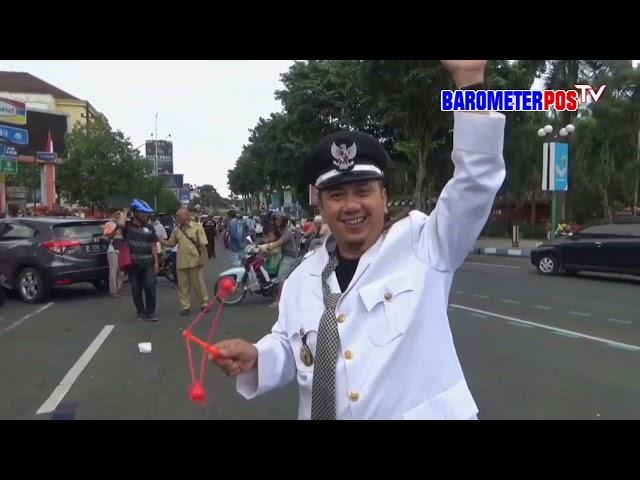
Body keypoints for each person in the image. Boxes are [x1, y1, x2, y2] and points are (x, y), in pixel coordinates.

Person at [210, 61, 506, 420]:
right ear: (320, 205)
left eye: (363, 190)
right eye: (336, 195)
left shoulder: (426, 244)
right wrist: (258, 356)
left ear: (384, 197)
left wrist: (470, 80)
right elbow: (295, 348)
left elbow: (476, 179)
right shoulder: (303, 278)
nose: (351, 205)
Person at [160, 208, 209, 316]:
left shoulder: (197, 227)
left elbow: (203, 245)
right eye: (176, 216)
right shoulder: (176, 229)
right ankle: (185, 306)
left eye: (179, 216)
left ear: (187, 215)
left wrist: (203, 258)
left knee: (199, 284)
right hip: (181, 260)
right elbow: (172, 243)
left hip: (194, 260)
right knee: (183, 286)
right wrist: (161, 240)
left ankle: (204, 303)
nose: (177, 218)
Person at [118, 199, 159, 322]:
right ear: (135, 213)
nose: (145, 215)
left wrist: (156, 262)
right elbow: (120, 224)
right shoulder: (128, 226)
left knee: (150, 286)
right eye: (142, 213)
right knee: (136, 289)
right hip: (133, 264)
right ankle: (140, 312)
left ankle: (150, 312)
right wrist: (125, 212)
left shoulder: (150, 227)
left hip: (148, 263)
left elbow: (153, 245)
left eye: (146, 213)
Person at [259, 211, 299, 309]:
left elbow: (278, 242)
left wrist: (266, 247)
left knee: (281, 276)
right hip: (282, 255)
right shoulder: (279, 230)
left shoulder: (287, 232)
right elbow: (272, 238)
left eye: (278, 219)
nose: (275, 221)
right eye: (275, 219)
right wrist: (260, 243)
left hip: (290, 257)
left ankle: (278, 301)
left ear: (283, 221)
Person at [104, 209, 125, 298]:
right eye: (116, 214)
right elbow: (108, 237)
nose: (118, 216)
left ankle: (119, 288)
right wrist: (116, 227)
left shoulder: (123, 224)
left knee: (121, 271)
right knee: (113, 271)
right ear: (112, 214)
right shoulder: (108, 224)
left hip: (121, 248)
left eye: (119, 214)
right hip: (112, 249)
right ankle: (113, 290)